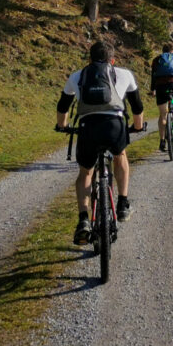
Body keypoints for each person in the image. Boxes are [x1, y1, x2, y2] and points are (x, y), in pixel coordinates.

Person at [56, 41, 145, 244]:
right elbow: (137, 107)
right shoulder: (124, 74)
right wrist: (138, 126)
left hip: (88, 128)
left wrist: (63, 126)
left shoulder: (77, 76)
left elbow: (63, 106)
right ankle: (122, 203)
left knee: (86, 172)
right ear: (112, 60)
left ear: (89, 59)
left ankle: (84, 220)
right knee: (120, 155)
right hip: (114, 126)